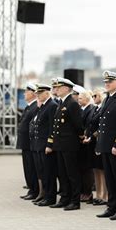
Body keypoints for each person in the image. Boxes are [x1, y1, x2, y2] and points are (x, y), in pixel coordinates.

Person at [85, 70, 116, 220]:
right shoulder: (107, 99)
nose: (107, 84)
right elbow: (101, 122)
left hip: (115, 147)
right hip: (105, 145)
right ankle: (111, 206)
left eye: (110, 82)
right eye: (105, 82)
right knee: (110, 179)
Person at [46, 78, 83, 210]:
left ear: (67, 88)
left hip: (69, 144)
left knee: (72, 173)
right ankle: (65, 198)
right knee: (62, 173)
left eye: (59, 87)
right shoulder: (62, 102)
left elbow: (78, 124)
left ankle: (75, 201)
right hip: (60, 144)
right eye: (56, 87)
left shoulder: (72, 103)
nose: (56, 89)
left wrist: (79, 136)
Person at [30, 84, 58, 206]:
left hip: (45, 145)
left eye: (40, 93)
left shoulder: (51, 106)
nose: (38, 96)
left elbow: (52, 127)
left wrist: (49, 144)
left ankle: (50, 197)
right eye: (37, 94)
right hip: (39, 145)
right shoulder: (43, 106)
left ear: (47, 93)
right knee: (42, 172)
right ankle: (45, 195)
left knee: (49, 172)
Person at [18, 83, 39, 200]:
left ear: (33, 93)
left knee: (31, 167)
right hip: (25, 142)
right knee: (27, 167)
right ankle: (31, 188)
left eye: (26, 91)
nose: (24, 94)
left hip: (30, 142)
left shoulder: (35, 106)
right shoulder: (29, 106)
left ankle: (34, 190)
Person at [78, 90, 96, 204]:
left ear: (87, 98)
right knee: (81, 169)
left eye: (80, 98)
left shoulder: (91, 109)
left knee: (87, 170)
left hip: (87, 143)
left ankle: (88, 193)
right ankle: (83, 192)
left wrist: (86, 135)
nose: (79, 100)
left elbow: (89, 125)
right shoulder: (82, 109)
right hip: (81, 143)